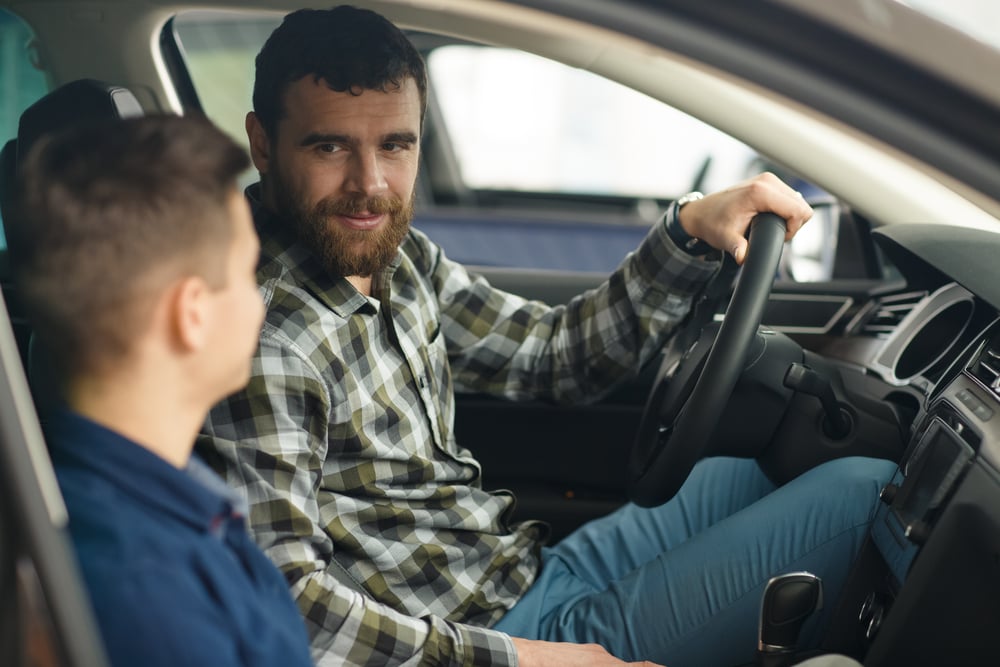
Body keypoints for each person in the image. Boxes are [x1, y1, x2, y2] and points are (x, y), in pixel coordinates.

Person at [198, 6, 896, 666]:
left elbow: (553, 356)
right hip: (493, 638)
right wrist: (527, 657)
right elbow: (285, 599)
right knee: (869, 491)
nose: (369, 184)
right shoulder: (266, 337)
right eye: (329, 146)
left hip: (521, 570)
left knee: (770, 464)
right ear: (263, 143)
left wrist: (687, 230)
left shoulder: (397, 257)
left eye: (395, 145)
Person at [10, 114, 313, 667]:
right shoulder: (148, 597)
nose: (261, 302)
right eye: (248, 273)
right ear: (191, 314)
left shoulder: (141, 495)